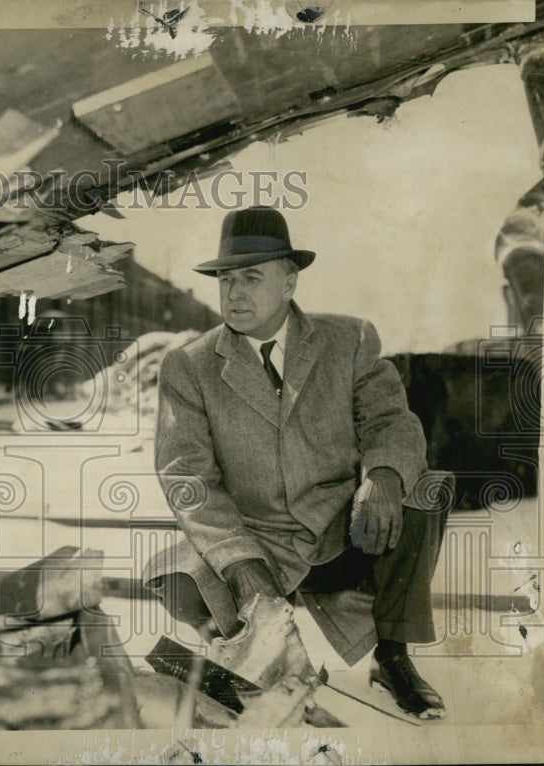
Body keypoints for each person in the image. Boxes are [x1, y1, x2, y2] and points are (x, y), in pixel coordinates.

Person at [144, 205, 450, 719]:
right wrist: (242, 566)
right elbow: (187, 479)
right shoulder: (188, 365)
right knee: (179, 578)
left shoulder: (348, 340)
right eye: (225, 279)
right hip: (256, 538)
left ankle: (393, 658)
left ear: (289, 283)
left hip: (343, 529)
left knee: (424, 490)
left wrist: (382, 477)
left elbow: (392, 422)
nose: (233, 292)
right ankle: (247, 664)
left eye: (250, 277)